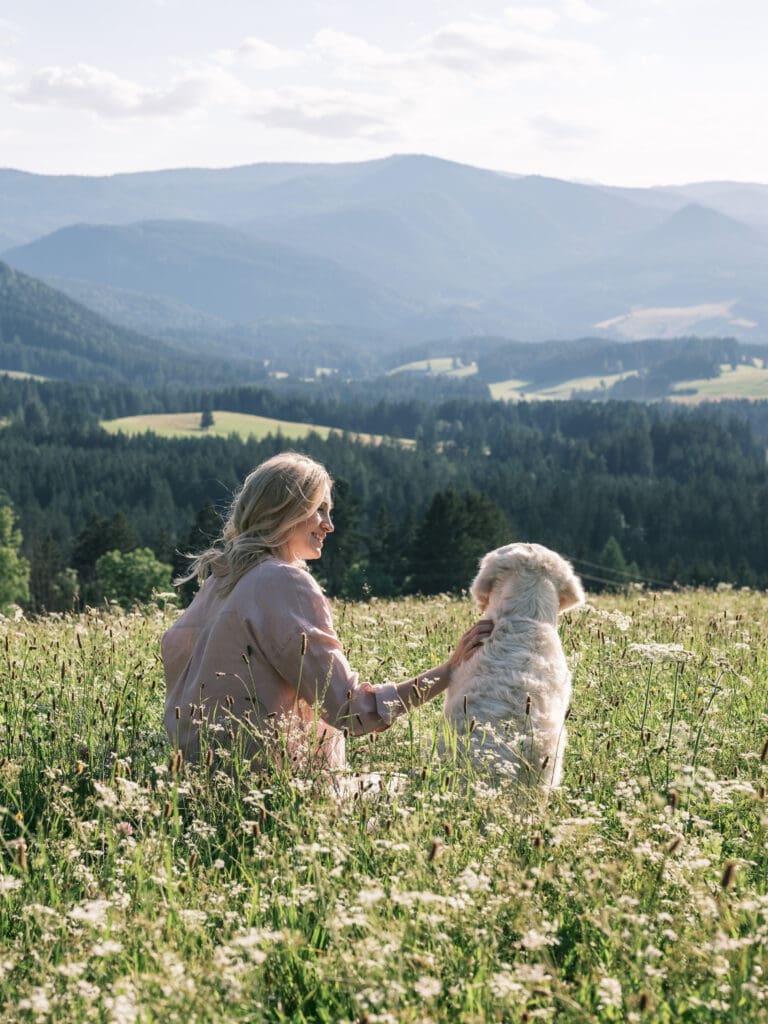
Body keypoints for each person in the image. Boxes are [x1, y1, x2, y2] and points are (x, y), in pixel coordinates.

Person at [162, 452, 492, 772]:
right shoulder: (283, 580)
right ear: (285, 510)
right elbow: (351, 710)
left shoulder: (219, 583)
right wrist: (449, 670)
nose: (330, 525)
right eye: (319, 510)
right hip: (280, 796)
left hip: (195, 786)